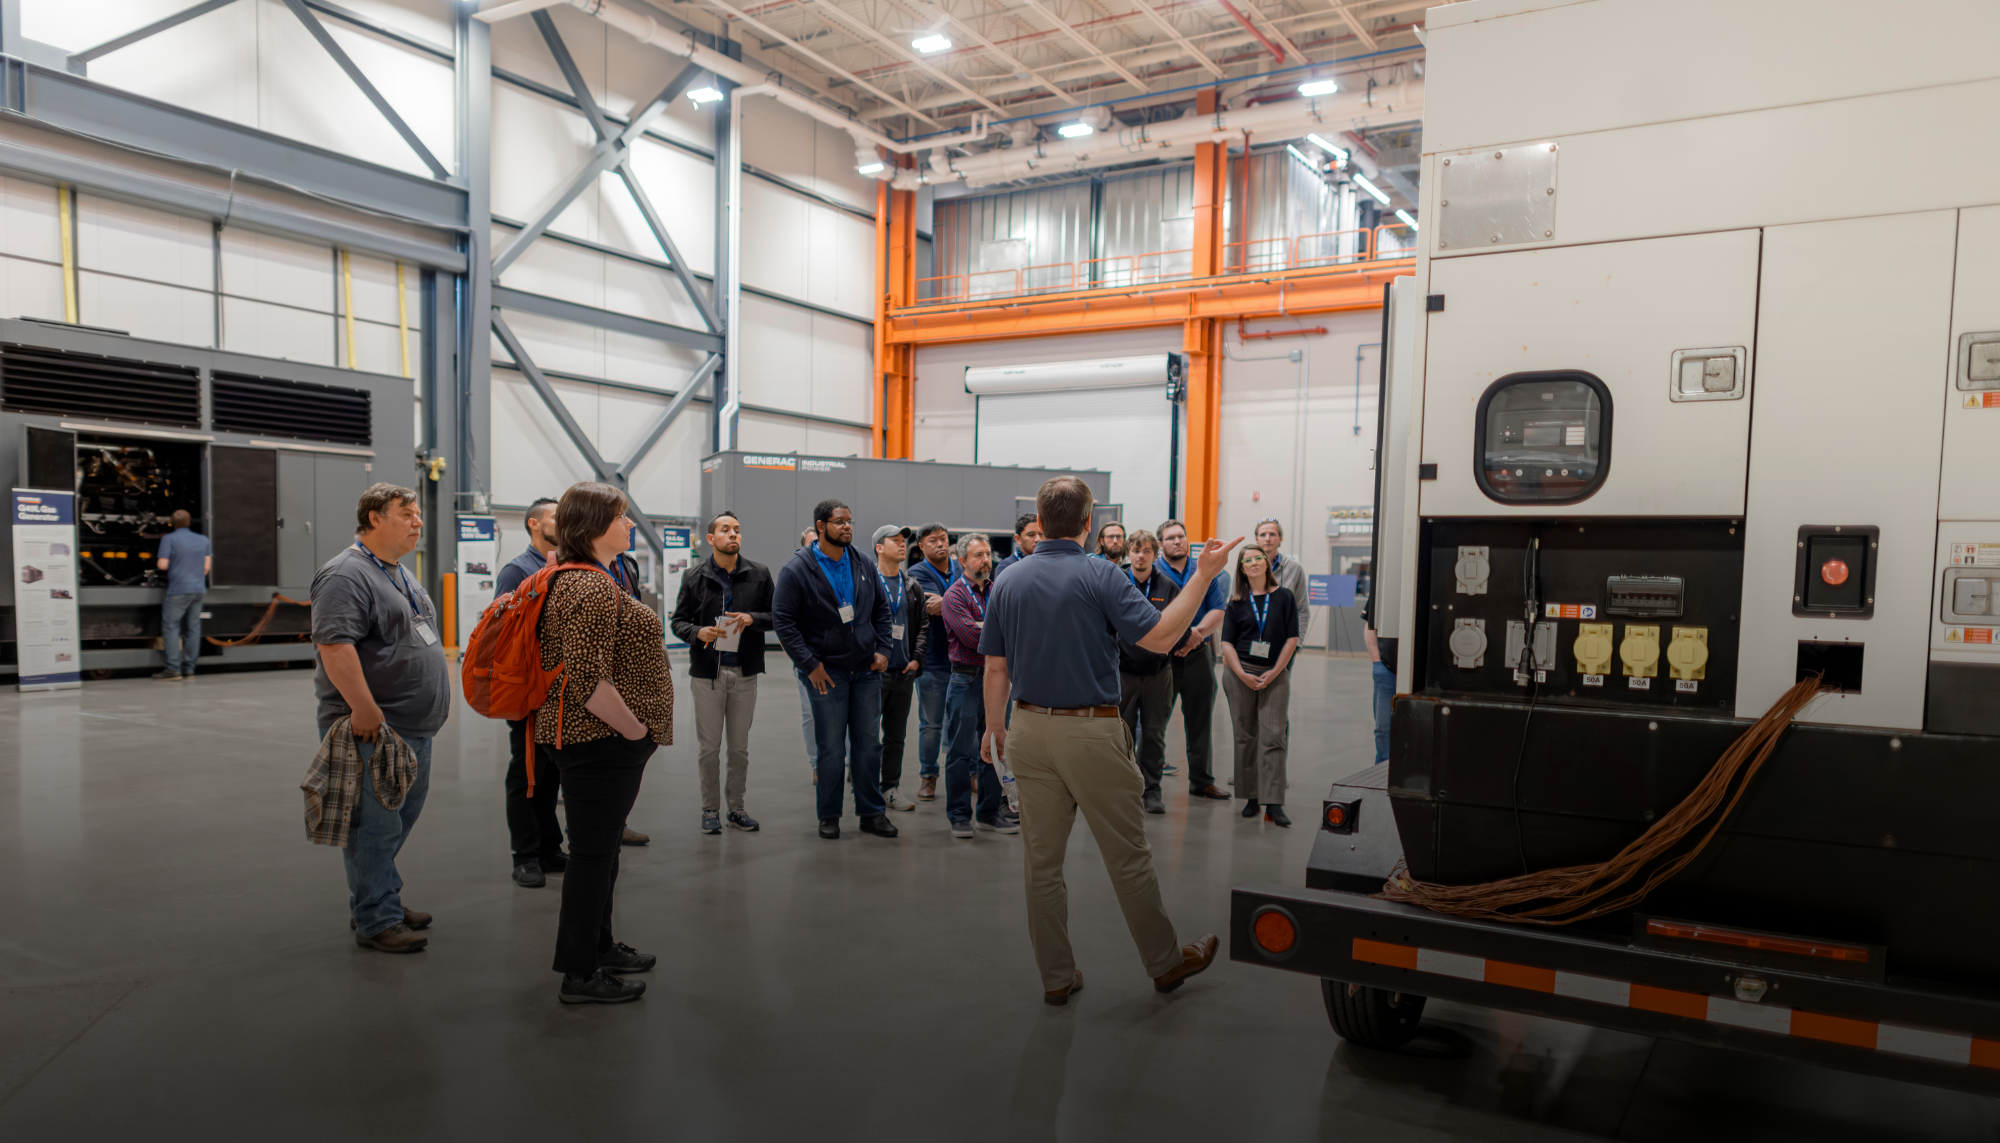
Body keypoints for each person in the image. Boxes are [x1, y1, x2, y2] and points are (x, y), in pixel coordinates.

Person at [980, 475, 1239, 1004]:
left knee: (1041, 863)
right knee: (1127, 857)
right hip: (1091, 731)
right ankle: (1165, 963)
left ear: (1042, 520)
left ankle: (1056, 977)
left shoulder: (1008, 579)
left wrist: (995, 729)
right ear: (1089, 523)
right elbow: (1162, 636)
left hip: (1027, 728)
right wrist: (1204, 574)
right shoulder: (1101, 574)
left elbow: (996, 667)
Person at [532, 482, 671, 1003]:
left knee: (603, 852)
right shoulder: (589, 587)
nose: (631, 525)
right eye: (622, 517)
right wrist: (636, 731)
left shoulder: (587, 579)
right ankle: (579, 973)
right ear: (594, 525)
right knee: (592, 857)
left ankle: (600, 944)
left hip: (592, 740)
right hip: (598, 742)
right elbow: (586, 679)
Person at [311, 483, 450, 954]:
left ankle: (380, 894)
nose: (417, 522)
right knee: (375, 824)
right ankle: (376, 918)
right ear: (374, 518)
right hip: (374, 724)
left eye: (417, 515)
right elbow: (334, 645)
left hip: (413, 724)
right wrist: (365, 709)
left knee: (397, 818)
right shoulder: (346, 575)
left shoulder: (397, 573)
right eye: (406, 514)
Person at [773, 500, 900, 840]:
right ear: (820, 526)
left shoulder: (861, 562)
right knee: (831, 748)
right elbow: (783, 622)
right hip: (827, 673)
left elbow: (881, 611)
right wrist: (810, 665)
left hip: (865, 671)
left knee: (868, 745)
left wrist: (883, 649)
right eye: (839, 521)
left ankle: (872, 813)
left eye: (849, 521)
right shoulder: (797, 568)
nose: (847, 526)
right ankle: (828, 815)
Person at [670, 510, 774, 835]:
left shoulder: (759, 573)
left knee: (739, 748)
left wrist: (751, 619)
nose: (733, 535)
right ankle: (710, 809)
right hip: (707, 675)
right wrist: (697, 632)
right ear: (711, 539)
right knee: (709, 748)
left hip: (745, 672)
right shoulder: (694, 576)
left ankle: (737, 809)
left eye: (737, 530)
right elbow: (678, 621)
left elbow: (776, 616)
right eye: (726, 530)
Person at [496, 498, 567, 888]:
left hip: (559, 691)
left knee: (551, 774)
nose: (564, 522)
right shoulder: (518, 571)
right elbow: (503, 633)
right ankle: (524, 855)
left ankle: (550, 848)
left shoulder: (564, 568)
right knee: (525, 775)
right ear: (534, 524)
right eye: (556, 517)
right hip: (528, 692)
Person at [1219, 547, 1302, 827]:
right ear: (1242, 569)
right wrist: (1242, 675)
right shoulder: (1236, 603)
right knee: (1245, 736)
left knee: (1274, 736)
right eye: (1247, 560)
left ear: (1267, 564)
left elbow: (1292, 638)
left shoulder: (1284, 597)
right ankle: (1251, 797)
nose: (1254, 563)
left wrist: (1275, 672)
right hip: (1239, 674)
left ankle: (1274, 802)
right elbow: (1226, 644)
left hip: (1274, 674)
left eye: (1258, 558)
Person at [940, 533, 1011, 840]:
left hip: (997, 680)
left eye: (988, 554)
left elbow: (1014, 629)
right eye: (979, 555)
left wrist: (985, 626)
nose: (986, 560)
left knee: (996, 746)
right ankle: (958, 816)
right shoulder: (954, 595)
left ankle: (989, 813)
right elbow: (972, 638)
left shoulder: (1000, 591)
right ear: (962, 561)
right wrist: (994, 628)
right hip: (965, 679)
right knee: (959, 751)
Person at [1155, 521, 1231, 801]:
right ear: (1160, 544)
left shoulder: (1204, 570)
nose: (1177, 541)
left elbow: (1218, 609)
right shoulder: (1154, 572)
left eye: (1181, 536)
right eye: (1170, 538)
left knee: (1200, 721)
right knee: (1155, 721)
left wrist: (1196, 634)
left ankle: (1202, 781)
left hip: (1199, 654)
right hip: (1163, 657)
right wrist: (1180, 636)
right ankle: (1150, 784)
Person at [1117, 530, 1179, 816]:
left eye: (1146, 551)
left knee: (1154, 734)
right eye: (1135, 550)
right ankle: (1123, 789)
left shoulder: (1168, 586)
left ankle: (1151, 790)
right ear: (1128, 552)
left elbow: (1179, 625)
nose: (1140, 556)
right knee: (1122, 735)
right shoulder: (1116, 582)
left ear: (1155, 555)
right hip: (1123, 673)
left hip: (1158, 673)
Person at [872, 524, 930, 812]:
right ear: (879, 548)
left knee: (895, 736)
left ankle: (890, 788)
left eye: (903, 541)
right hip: (873, 674)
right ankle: (867, 789)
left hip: (903, 672)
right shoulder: (867, 582)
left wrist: (916, 659)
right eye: (894, 541)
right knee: (868, 736)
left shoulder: (911, 585)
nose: (901, 545)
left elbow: (923, 625)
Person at [906, 522, 960, 801]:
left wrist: (948, 602)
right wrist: (961, 601)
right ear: (922, 547)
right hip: (933, 662)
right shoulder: (916, 573)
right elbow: (931, 607)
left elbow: (952, 604)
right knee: (931, 724)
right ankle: (929, 775)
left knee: (964, 721)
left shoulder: (962, 567)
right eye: (933, 540)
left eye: (944, 539)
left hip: (965, 661)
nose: (940, 544)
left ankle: (969, 774)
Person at [153, 508, 211, 680]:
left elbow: (162, 564)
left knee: (171, 626)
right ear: (189, 522)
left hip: (179, 589)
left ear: (172, 523)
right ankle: (189, 669)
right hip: (198, 589)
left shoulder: (169, 538)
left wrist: (177, 564)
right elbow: (206, 568)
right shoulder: (203, 540)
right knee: (193, 628)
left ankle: (172, 669)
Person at [1255, 519, 1313, 646]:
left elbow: (1302, 609)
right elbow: (1233, 606)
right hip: (1248, 640)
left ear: (1280, 538)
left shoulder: (1295, 569)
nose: (1267, 539)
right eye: (1263, 535)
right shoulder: (1247, 566)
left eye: (1272, 534)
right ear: (1256, 539)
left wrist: (1296, 644)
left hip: (1283, 643)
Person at [796, 527, 820, 780]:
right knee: (810, 714)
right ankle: (817, 764)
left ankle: (845, 761)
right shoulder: (795, 573)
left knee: (846, 714)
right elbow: (783, 622)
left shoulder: (843, 570)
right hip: (806, 660)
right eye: (812, 544)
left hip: (841, 659)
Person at [993, 513, 1042, 580]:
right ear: (1018, 539)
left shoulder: (1049, 563)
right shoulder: (1006, 567)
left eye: (1041, 534)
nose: (1038, 539)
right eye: (1031, 535)